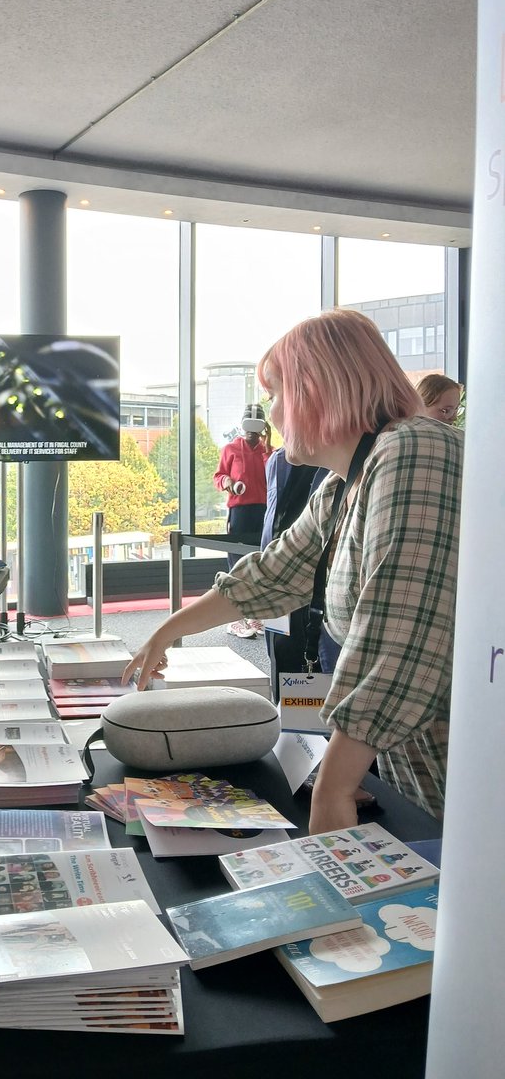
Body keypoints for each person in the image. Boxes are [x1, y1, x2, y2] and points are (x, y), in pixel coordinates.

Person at [126, 309, 462, 833]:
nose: (275, 414)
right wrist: (169, 631)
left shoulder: (413, 451)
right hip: (427, 758)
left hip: (467, 761)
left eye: (278, 393)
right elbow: (271, 575)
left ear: (316, 390)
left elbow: (402, 637)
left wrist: (334, 787)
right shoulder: (346, 480)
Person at [214, 402, 272, 637]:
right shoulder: (231, 449)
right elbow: (219, 476)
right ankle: (237, 618)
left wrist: (268, 442)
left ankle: (255, 615)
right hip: (239, 512)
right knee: (237, 563)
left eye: (256, 427)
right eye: (248, 426)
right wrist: (230, 483)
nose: (251, 432)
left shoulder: (269, 452)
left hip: (264, 511)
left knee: (260, 561)